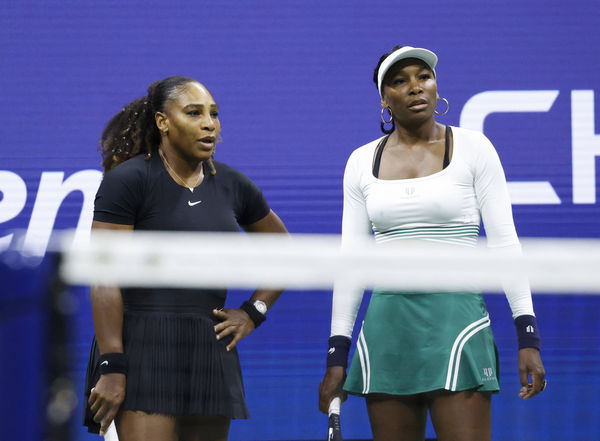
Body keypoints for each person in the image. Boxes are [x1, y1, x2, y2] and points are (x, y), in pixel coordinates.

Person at [318, 46, 546, 441]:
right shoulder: (359, 162)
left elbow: (506, 245)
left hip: (457, 326)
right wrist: (337, 355)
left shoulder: (475, 148)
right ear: (384, 98)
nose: (415, 88)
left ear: (436, 86)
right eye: (399, 81)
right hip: (386, 334)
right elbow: (351, 264)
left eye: (423, 76)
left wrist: (528, 336)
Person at [83, 76, 288, 441]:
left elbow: (287, 252)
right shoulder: (128, 180)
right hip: (141, 346)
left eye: (214, 114)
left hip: (208, 347)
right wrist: (112, 365)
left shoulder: (232, 184)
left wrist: (254, 311)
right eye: (194, 113)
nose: (210, 123)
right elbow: (103, 277)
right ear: (163, 122)